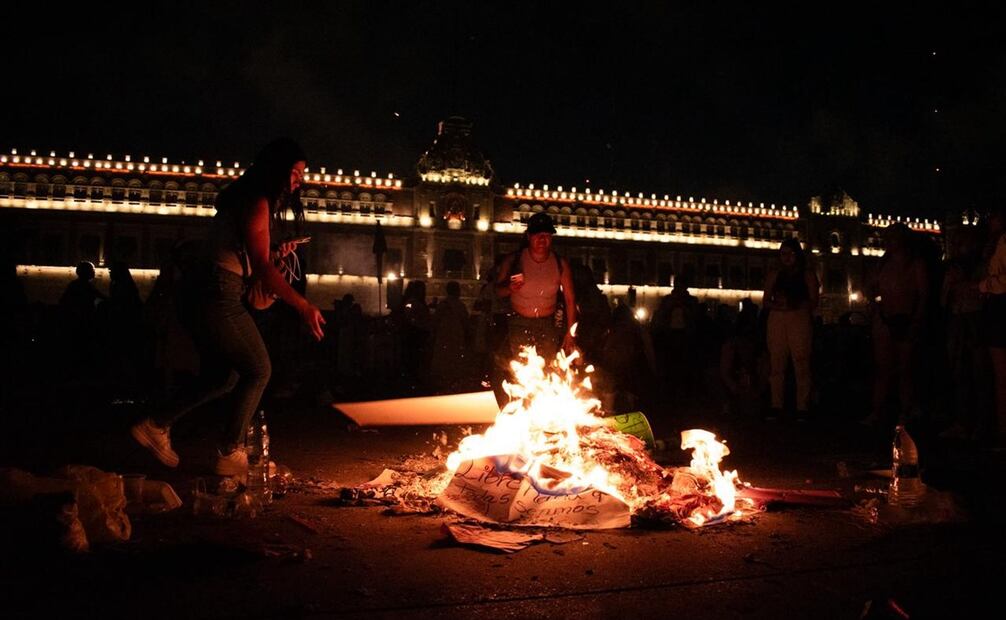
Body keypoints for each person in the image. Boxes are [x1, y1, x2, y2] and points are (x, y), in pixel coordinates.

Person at [131, 138, 325, 475]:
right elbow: (261, 267)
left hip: (206, 290)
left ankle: (156, 424)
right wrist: (303, 305)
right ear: (277, 169)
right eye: (295, 173)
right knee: (259, 370)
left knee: (222, 376)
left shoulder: (245, 199)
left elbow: (248, 255)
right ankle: (230, 451)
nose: (299, 181)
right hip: (217, 292)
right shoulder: (257, 201)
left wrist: (273, 253)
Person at [493, 212, 577, 403]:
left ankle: (542, 407)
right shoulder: (514, 260)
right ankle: (523, 407)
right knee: (523, 370)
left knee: (547, 370)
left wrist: (570, 334)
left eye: (547, 235)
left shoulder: (560, 264)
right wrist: (510, 288)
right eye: (538, 235)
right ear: (529, 236)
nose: (542, 239)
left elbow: (570, 299)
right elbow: (497, 291)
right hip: (519, 324)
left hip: (547, 325)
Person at [864, 223, 928, 427]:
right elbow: (870, 286)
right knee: (882, 368)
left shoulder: (916, 264)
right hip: (884, 319)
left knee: (905, 369)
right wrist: (876, 303)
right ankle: (878, 411)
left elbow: (924, 295)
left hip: (907, 319)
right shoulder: (882, 264)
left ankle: (906, 411)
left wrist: (916, 320)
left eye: (892, 237)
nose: (888, 241)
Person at [763, 238, 819, 420]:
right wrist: (780, 305)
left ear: (798, 255)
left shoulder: (807, 274)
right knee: (777, 361)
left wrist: (795, 304)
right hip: (777, 318)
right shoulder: (774, 274)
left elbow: (814, 301)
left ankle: (802, 406)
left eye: (791, 253)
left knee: (801, 361)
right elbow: (766, 300)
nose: (787, 257)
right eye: (783, 254)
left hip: (799, 317)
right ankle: (776, 405)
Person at [978, 206, 1006, 450]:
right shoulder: (994, 243)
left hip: (1001, 306)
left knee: (1001, 375)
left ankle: (1003, 432)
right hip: (996, 307)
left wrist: (982, 285)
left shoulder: (1003, 242)